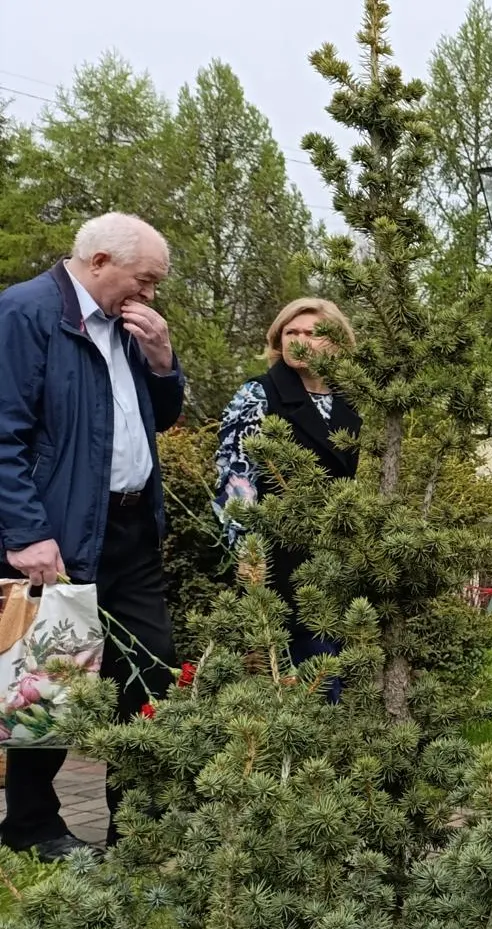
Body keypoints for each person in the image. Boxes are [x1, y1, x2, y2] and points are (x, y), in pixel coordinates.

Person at [0, 212, 184, 860]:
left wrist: (164, 360)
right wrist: (24, 531)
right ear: (101, 262)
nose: (150, 296)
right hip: (62, 536)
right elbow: (5, 433)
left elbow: (161, 416)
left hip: (132, 530)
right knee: (53, 680)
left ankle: (138, 832)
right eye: (145, 281)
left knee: (152, 671)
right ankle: (31, 827)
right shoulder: (25, 314)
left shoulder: (129, 326)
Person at [214, 298, 362, 668]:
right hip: (276, 551)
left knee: (337, 655)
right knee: (290, 661)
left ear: (337, 341)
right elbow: (236, 476)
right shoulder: (258, 395)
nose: (299, 340)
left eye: (311, 333)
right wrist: (248, 550)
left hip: (336, 549)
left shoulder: (353, 400)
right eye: (290, 332)